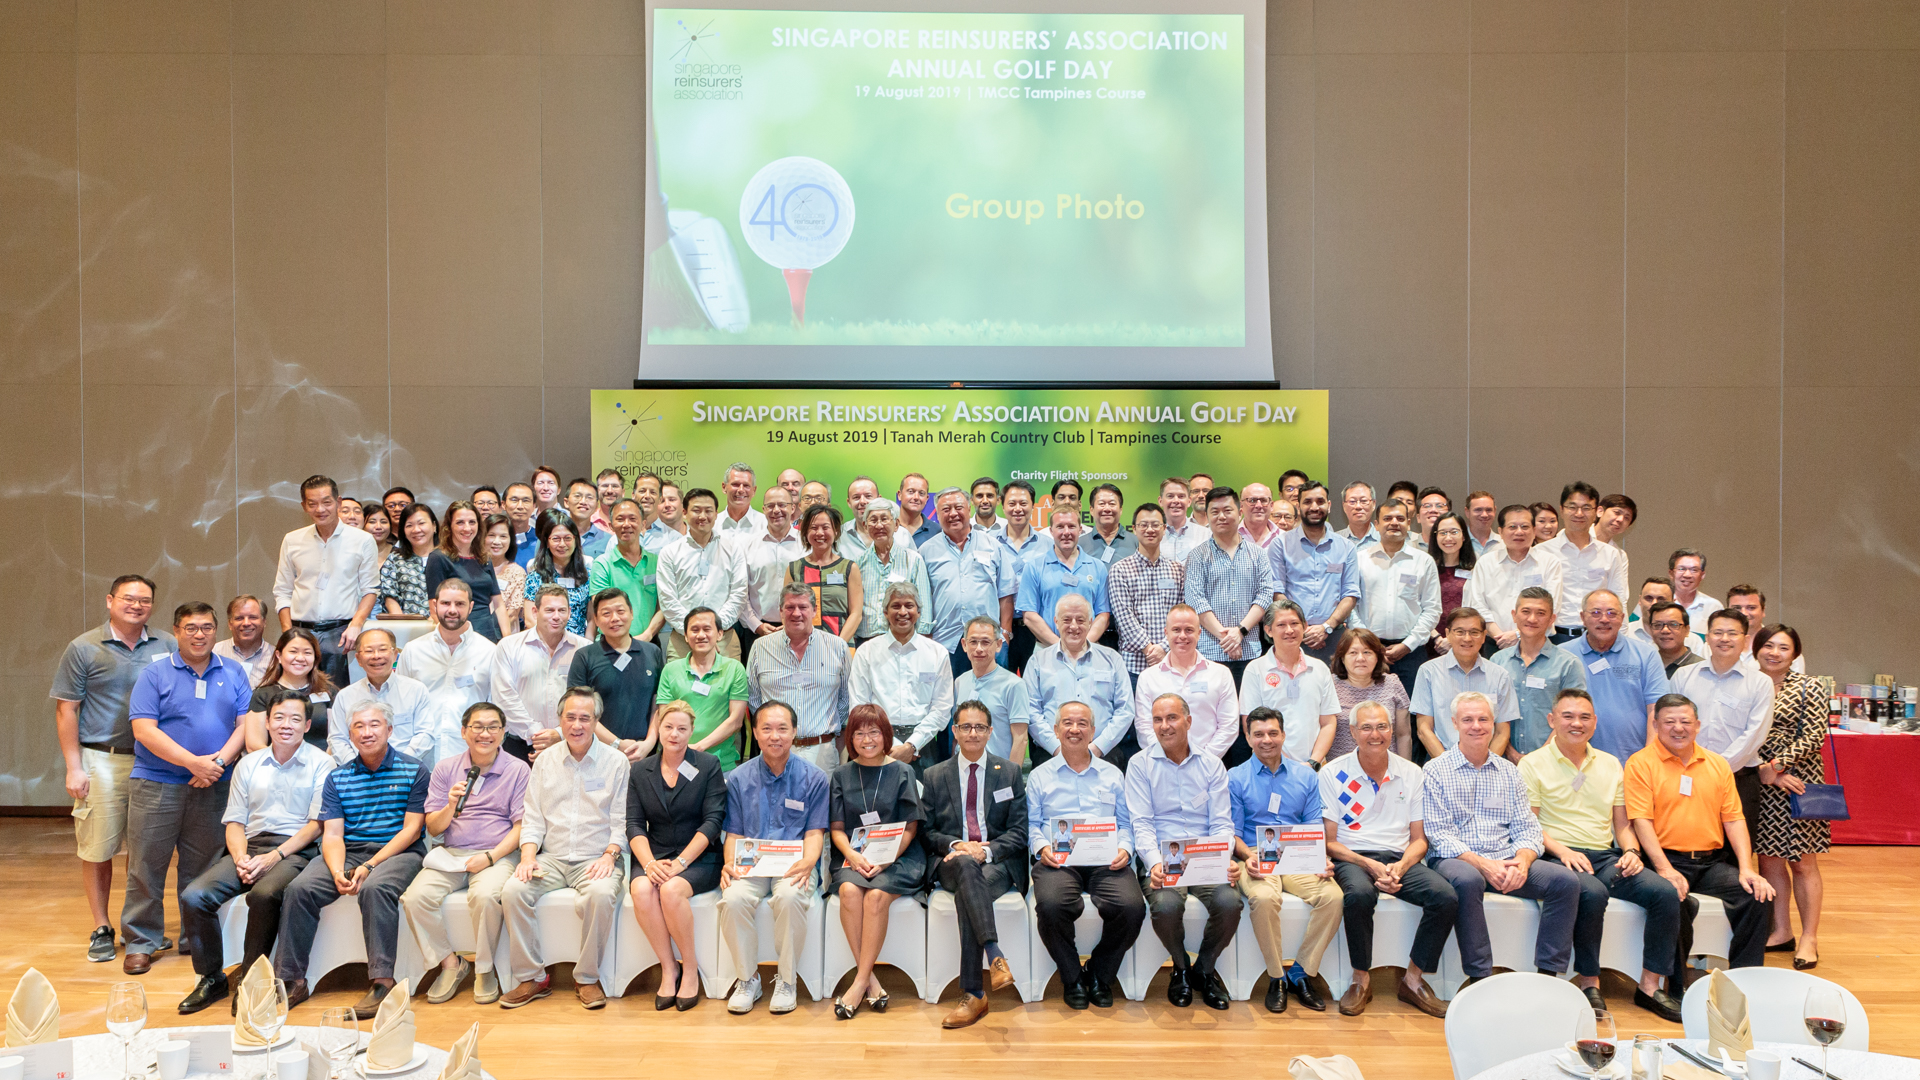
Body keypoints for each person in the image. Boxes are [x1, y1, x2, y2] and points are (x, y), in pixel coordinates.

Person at [1521, 689, 1687, 1021]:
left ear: (1595, 723)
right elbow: (1530, 825)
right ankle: (1589, 982)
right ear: (1552, 720)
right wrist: (1563, 851)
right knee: (1592, 893)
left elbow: (1622, 824)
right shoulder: (1532, 763)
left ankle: (1649, 986)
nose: (1577, 723)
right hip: (1556, 856)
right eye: (1568, 716)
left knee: (1664, 893)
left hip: (1603, 856)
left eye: (1584, 717)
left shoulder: (1610, 764)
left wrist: (1631, 851)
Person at [176, 688, 332, 1012]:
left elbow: (316, 826)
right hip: (249, 847)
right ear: (267, 722)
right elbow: (234, 822)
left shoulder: (322, 764)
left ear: (307, 725)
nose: (286, 725)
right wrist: (241, 859)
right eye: (279, 717)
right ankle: (211, 978)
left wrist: (274, 857)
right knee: (194, 896)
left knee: (264, 894)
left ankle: (251, 981)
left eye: (295, 719)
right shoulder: (248, 765)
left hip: (295, 851)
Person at [120, 602, 252, 976]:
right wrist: (193, 763)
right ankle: (141, 942)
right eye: (191, 627)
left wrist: (217, 763)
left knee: (202, 867)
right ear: (176, 631)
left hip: (215, 784)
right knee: (146, 866)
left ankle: (195, 938)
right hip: (157, 783)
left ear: (216, 631)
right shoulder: (155, 673)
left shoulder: (233, 671)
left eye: (207, 627)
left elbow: (245, 725)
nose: (199, 634)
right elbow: (144, 730)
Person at [52, 573, 175, 962]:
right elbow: (66, 710)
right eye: (128, 598)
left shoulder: (167, 644)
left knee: (145, 850)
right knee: (98, 847)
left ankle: (138, 927)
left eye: (144, 600)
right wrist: (74, 767)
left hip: (153, 760)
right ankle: (102, 926)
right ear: (110, 601)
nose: (136, 605)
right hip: (101, 759)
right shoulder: (83, 647)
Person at [276, 701, 429, 1014]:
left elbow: (412, 830)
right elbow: (332, 835)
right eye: (359, 726)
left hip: (399, 852)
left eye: (374, 725)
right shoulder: (338, 777)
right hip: (349, 851)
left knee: (375, 888)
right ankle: (293, 980)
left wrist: (371, 865)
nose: (367, 732)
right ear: (350, 734)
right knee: (299, 889)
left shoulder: (414, 770)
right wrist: (336, 872)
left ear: (389, 730)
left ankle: (382, 982)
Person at [1421, 691, 1580, 987]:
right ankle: (1479, 977)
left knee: (1565, 882)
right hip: (1456, 859)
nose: (1476, 726)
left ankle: (1549, 977)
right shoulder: (1435, 770)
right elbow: (1438, 834)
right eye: (1468, 720)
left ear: (1494, 723)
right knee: (1468, 880)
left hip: (1505, 858)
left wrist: (1522, 861)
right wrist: (1483, 865)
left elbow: (1527, 827)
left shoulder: (1509, 772)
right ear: (1454, 723)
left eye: (1483, 719)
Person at [1321, 701, 1456, 1018]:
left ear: (1392, 730)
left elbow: (1419, 839)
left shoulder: (1410, 772)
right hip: (1352, 856)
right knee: (1359, 895)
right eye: (1366, 727)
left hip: (1399, 857)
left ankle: (1413, 980)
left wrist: (1401, 866)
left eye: (1382, 726)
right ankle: (1360, 980)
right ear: (1352, 732)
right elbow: (1330, 842)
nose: (1375, 734)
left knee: (1445, 897)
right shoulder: (1332, 773)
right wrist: (1369, 865)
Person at [499, 687, 631, 1010]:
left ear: (596, 721)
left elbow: (622, 820)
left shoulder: (616, 762)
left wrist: (610, 855)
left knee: (600, 895)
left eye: (585, 718)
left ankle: (586, 978)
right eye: (570, 717)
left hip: (597, 857)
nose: (577, 725)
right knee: (514, 890)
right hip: (552, 858)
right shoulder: (545, 761)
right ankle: (532, 978)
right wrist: (527, 856)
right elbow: (533, 817)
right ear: (560, 720)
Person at [1624, 694, 1777, 971]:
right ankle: (1676, 983)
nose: (1678, 728)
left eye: (1685, 721)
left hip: (1710, 864)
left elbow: (1734, 819)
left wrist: (1747, 868)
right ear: (1655, 725)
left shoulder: (1717, 764)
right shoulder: (1640, 763)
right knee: (1672, 898)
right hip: (1663, 860)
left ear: (1697, 725)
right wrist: (1665, 869)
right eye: (1669, 722)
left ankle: (1744, 977)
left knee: (1757, 894)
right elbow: (1641, 821)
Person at [399, 702, 529, 1006]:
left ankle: (484, 968)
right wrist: (450, 805)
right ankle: (450, 964)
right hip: (452, 854)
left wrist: (491, 857)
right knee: (415, 898)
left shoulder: (518, 769)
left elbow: (521, 827)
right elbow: (434, 827)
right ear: (463, 731)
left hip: (497, 854)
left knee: (485, 896)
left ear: (503, 732)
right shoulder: (446, 768)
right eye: (477, 727)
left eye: (493, 727)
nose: (485, 734)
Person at [1027, 702, 1146, 1010]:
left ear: (1093, 731)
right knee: (1051, 906)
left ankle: (1099, 973)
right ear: (1056, 731)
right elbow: (1030, 824)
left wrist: (1125, 848)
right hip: (1058, 861)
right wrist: (1041, 848)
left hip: (1106, 860)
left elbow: (1126, 823)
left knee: (1132, 907)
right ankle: (1071, 977)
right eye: (1067, 723)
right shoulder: (1039, 776)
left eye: (1082, 724)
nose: (1074, 729)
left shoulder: (1113, 775)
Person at [1126, 692, 1241, 1011]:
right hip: (1164, 860)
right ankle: (1180, 968)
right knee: (1165, 906)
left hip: (1206, 858)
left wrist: (1224, 858)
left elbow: (1222, 822)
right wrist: (1154, 864)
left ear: (1189, 721)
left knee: (1229, 902)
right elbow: (1141, 822)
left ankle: (1204, 969)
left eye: (1172, 718)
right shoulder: (1139, 764)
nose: (1164, 726)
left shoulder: (1212, 764)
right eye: (1158, 720)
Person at [718, 701, 831, 1015]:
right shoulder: (739, 778)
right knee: (732, 898)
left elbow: (815, 832)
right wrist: (730, 863)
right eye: (766, 728)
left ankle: (786, 980)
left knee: (790, 897)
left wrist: (809, 862)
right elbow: (734, 832)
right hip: (752, 865)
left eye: (782, 728)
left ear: (794, 732)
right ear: (754, 733)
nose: (774, 736)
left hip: (795, 864)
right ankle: (747, 980)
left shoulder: (815, 777)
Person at [922, 701, 1027, 1027]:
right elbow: (926, 832)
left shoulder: (1008, 772)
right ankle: (994, 954)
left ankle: (974, 994)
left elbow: (1019, 831)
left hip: (997, 862)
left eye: (979, 727)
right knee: (967, 867)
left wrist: (988, 850)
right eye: (965, 727)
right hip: (952, 861)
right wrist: (957, 845)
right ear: (954, 731)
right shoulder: (934, 775)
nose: (973, 733)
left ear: (990, 732)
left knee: (969, 892)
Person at [1228, 708, 1341, 1014]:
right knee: (1264, 898)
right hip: (1255, 853)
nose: (1267, 740)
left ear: (1283, 735)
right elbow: (1232, 833)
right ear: (1248, 738)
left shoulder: (1306, 775)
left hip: (1297, 853)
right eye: (1259, 734)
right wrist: (1248, 856)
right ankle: (1277, 977)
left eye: (1273, 733)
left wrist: (1320, 859)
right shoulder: (1236, 777)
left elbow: (1314, 826)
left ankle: (1301, 972)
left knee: (1333, 897)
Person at [825, 704, 928, 1019]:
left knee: (876, 897)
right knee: (849, 891)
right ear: (850, 738)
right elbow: (837, 829)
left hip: (899, 857)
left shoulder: (903, 771)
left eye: (873, 732)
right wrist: (852, 855)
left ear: (886, 735)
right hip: (854, 856)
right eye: (858, 733)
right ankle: (869, 980)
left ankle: (858, 984)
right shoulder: (841, 774)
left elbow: (911, 826)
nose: (867, 739)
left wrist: (886, 859)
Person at [626, 700, 729, 1010]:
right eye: (668, 727)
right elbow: (634, 824)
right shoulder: (640, 770)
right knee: (641, 889)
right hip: (655, 854)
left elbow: (713, 821)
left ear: (691, 731)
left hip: (700, 856)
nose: (674, 734)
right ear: (658, 729)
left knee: (671, 891)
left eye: (682, 728)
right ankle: (669, 967)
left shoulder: (708, 765)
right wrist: (648, 863)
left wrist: (682, 862)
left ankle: (691, 969)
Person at [1750, 625, 1827, 971]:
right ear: (1756, 649)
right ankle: (1781, 930)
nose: (1774, 653)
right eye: (1768, 645)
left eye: (1783, 647)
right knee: (1768, 861)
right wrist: (1763, 771)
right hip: (1759, 780)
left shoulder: (1810, 686)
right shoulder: (1749, 683)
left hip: (1798, 782)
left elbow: (1814, 736)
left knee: (1803, 862)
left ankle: (1809, 937)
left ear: (1795, 653)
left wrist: (1777, 767)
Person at [1670, 610, 1776, 829]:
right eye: (1718, 633)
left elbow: (1755, 734)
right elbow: (1671, 726)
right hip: (1686, 774)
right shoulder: (1683, 676)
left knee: (1736, 846)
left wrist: (1716, 769)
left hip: (1739, 778)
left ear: (1746, 640)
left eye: (1732, 633)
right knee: (1686, 840)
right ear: (1708, 637)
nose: (1724, 639)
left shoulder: (1760, 683)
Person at [273, 475, 380, 687]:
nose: (320, 509)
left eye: (326, 502)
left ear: (338, 502)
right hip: (301, 631)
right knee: (299, 694)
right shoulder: (292, 540)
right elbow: (282, 591)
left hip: (342, 632)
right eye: (312, 504)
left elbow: (370, 589)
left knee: (337, 694)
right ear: (304, 506)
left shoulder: (362, 540)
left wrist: (356, 624)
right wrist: (288, 632)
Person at [745, 585, 852, 774]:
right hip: (775, 749)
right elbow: (754, 699)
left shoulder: (838, 647)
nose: (796, 613)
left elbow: (845, 698)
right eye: (789, 607)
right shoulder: (760, 648)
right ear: (780, 611)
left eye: (803, 607)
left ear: (814, 610)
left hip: (822, 751)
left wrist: (828, 729)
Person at [849, 584, 954, 771]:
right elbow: (859, 706)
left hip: (924, 745)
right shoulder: (866, 652)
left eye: (909, 606)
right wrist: (891, 745)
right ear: (885, 612)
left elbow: (942, 708)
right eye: (896, 606)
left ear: (919, 612)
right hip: (876, 742)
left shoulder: (937, 653)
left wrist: (911, 746)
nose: (903, 612)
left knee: (922, 792)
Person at [1565, 589, 1671, 767]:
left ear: (1622, 618)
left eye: (1611, 613)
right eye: (1596, 613)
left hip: (1632, 761)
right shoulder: (1564, 655)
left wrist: (1648, 758)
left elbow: (1657, 709)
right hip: (1573, 762)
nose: (1604, 619)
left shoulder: (1646, 654)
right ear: (1583, 617)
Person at [1025, 594, 1135, 767]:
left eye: (1080, 620)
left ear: (1090, 622)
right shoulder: (1038, 662)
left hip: (1104, 753)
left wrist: (1098, 747)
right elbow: (1031, 711)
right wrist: (1056, 748)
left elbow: (1125, 709)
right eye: (1067, 620)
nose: (1074, 626)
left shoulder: (1112, 659)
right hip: (1051, 754)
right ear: (1056, 622)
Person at [396, 579, 499, 762]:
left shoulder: (490, 652)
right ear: (434, 605)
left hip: (471, 756)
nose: (452, 610)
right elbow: (401, 705)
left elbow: (495, 709)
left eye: (460, 604)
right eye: (445, 603)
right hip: (421, 757)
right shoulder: (413, 650)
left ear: (470, 607)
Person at [920, 486, 1017, 674]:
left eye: (958, 507)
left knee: (991, 691)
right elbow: (922, 598)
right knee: (949, 692)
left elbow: (1005, 593)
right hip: (944, 641)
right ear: (937, 515)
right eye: (946, 509)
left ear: (969, 508)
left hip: (988, 640)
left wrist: (1005, 634)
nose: (953, 514)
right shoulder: (926, 551)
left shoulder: (992, 546)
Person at [1183, 486, 1274, 684]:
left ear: (1240, 512)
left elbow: (1265, 595)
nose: (1221, 516)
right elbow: (1195, 601)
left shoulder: (1258, 554)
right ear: (1207, 516)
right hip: (1210, 652)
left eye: (1227, 510)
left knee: (1248, 703)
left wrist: (1240, 632)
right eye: (1214, 512)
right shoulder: (1197, 556)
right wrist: (1227, 638)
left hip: (1249, 650)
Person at [490, 586, 591, 761]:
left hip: (571, 742)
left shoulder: (585, 649)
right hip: (520, 744)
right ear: (535, 612)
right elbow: (504, 697)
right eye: (549, 610)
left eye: (562, 610)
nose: (556, 616)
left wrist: (559, 733)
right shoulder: (509, 647)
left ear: (569, 613)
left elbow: (592, 697)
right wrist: (536, 734)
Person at [1352, 498, 1439, 693]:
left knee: (1411, 708)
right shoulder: (1360, 560)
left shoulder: (1424, 561)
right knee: (1367, 707)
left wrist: (1408, 645)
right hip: (1366, 651)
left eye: (1400, 518)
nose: (1394, 523)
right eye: (1387, 518)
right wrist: (1369, 644)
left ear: (1409, 523)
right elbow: (1350, 606)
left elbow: (1432, 609)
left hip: (1411, 651)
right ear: (1376, 525)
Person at [1268, 481, 1361, 663]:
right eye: (1307, 502)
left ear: (1329, 505)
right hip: (1292, 636)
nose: (1314, 507)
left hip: (1334, 636)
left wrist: (1326, 627)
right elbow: (1277, 591)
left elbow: (1350, 594)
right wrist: (1301, 627)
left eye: (1320, 501)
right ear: (1298, 506)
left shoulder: (1346, 547)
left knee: (1335, 681)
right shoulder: (1280, 544)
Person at [1239, 601, 1340, 768]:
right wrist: (1289, 766)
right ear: (1268, 630)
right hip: (1270, 765)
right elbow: (1250, 725)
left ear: (1305, 626)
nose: (1289, 630)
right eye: (1281, 625)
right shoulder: (1255, 669)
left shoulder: (1320, 668)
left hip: (1314, 766)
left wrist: (1312, 763)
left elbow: (1328, 723)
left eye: (1294, 623)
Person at [1489, 586, 1588, 757]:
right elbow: (1490, 714)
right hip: (1504, 759)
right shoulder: (1497, 662)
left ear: (1552, 619)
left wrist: (1538, 759)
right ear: (1514, 615)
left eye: (1541, 613)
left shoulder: (1568, 664)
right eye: (1526, 611)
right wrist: (1509, 752)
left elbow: (1572, 717)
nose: (1532, 619)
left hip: (1553, 760)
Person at [1410, 608, 1519, 761]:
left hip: (1487, 763)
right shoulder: (1428, 672)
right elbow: (1424, 729)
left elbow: (1502, 732)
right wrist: (1448, 766)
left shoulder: (1500, 675)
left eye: (1474, 632)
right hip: (1441, 761)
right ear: (1448, 634)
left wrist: (1486, 766)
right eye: (1460, 632)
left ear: (1484, 636)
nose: (1467, 638)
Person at [568, 588, 664, 753]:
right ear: (596, 620)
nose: (615, 619)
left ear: (631, 613)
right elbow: (579, 709)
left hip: (645, 752)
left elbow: (659, 702)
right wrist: (616, 744)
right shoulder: (584, 656)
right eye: (606, 613)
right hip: (599, 751)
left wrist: (648, 744)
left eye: (620, 611)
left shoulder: (652, 652)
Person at [656, 607, 750, 770]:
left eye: (707, 629)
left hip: (721, 763)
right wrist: (685, 750)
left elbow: (735, 721)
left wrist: (699, 747)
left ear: (719, 634)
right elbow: (665, 718)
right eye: (694, 630)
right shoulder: (670, 670)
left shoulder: (735, 669)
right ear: (686, 636)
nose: (701, 635)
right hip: (678, 761)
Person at [1461, 504, 1566, 650]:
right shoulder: (1486, 563)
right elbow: (1477, 604)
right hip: (1495, 642)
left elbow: (1552, 605)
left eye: (1525, 526)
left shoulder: (1549, 562)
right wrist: (1500, 637)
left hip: (1538, 642)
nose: (1519, 532)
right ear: (1500, 531)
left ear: (1534, 530)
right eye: (1512, 527)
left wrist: (1517, 635)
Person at [1534, 482, 1629, 642]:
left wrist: (1622, 639)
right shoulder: (1541, 552)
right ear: (1561, 510)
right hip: (1553, 636)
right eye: (1572, 507)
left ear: (1596, 512)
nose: (1579, 514)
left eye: (1586, 508)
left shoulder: (1610, 554)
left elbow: (1619, 599)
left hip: (1597, 636)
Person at [329, 628, 438, 764]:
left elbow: (425, 734)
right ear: (358, 659)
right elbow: (337, 739)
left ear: (395, 655)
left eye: (382, 649)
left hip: (405, 769)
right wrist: (356, 768)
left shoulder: (416, 690)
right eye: (369, 651)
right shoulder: (345, 696)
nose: (376, 656)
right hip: (358, 772)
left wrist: (399, 765)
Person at [1108, 501, 1186, 681]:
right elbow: (1124, 617)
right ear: (1134, 529)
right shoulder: (1120, 570)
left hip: (1172, 661)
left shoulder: (1177, 570)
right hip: (1134, 665)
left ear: (1164, 529)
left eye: (1155, 525)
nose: (1150, 529)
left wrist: (1163, 648)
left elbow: (1182, 613)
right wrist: (1149, 649)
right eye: (1143, 525)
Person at [1018, 506, 1112, 651]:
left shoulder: (1097, 567)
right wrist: (1061, 647)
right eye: (1060, 527)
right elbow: (1030, 616)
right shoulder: (1033, 567)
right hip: (1046, 649)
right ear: (1051, 531)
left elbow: (1103, 615)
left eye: (1071, 526)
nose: (1066, 532)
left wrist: (1082, 645)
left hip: (1088, 650)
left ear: (1080, 530)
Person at [587, 498, 665, 647]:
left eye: (633, 519)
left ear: (643, 524)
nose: (626, 524)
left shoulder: (657, 562)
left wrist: (646, 636)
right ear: (611, 526)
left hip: (648, 643)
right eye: (620, 519)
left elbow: (663, 607)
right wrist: (626, 642)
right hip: (611, 644)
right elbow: (602, 609)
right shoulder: (602, 564)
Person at [242, 629, 334, 753]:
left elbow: (335, 740)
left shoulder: (328, 692)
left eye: (307, 653)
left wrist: (318, 762)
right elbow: (254, 745)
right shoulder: (262, 695)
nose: (300, 658)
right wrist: (287, 762)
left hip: (320, 763)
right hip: (274, 764)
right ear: (278, 655)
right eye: (293, 651)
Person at [854, 499, 933, 643]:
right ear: (865, 526)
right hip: (866, 641)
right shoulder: (857, 563)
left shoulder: (913, 560)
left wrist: (923, 637)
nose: (879, 525)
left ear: (896, 524)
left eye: (884, 519)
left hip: (904, 640)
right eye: (873, 520)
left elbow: (924, 604)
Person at [953, 616, 1029, 764]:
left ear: (998, 645)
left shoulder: (1014, 685)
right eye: (973, 642)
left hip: (998, 770)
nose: (979, 649)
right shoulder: (960, 682)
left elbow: (1021, 738)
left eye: (985, 642)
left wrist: (1011, 776)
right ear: (964, 644)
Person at [737, 487, 803, 656]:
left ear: (792, 508)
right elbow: (741, 590)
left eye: (782, 505)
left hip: (799, 628)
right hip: (758, 631)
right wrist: (755, 625)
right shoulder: (747, 545)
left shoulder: (806, 544)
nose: (776, 510)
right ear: (763, 509)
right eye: (770, 506)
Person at [1330, 628, 1412, 760]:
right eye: (1353, 653)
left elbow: (1403, 735)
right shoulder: (1329, 686)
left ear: (1377, 657)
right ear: (1342, 658)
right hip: (1341, 767)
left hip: (1386, 765)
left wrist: (1404, 767)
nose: (1360, 658)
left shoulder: (1392, 683)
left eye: (1367, 652)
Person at [426, 502, 501, 641]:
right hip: (456, 635)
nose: (467, 528)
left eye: (472, 522)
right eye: (460, 522)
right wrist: (453, 640)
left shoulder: (484, 557)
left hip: (487, 632)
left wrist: (506, 640)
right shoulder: (438, 558)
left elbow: (499, 604)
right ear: (449, 526)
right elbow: (435, 609)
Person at [787, 504, 862, 643]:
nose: (820, 533)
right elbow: (787, 611)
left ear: (836, 531)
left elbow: (856, 614)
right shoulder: (794, 569)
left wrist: (838, 644)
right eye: (814, 528)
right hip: (804, 646)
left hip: (842, 645)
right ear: (805, 532)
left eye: (825, 527)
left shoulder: (849, 568)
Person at [522, 515, 592, 636]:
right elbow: (530, 619)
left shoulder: (588, 576)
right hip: (544, 642)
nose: (562, 544)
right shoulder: (535, 577)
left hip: (579, 643)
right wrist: (550, 641)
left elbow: (591, 619)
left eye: (567, 538)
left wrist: (587, 644)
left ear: (576, 541)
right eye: (556, 539)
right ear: (547, 542)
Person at [1424, 511, 1477, 655]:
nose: (1448, 538)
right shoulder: (1425, 568)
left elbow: (1479, 608)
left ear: (1464, 536)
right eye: (1443, 533)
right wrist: (1436, 637)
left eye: (1454, 532)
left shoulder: (1476, 569)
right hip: (1430, 641)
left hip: (1466, 641)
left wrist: (1453, 639)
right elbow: (1418, 606)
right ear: (1435, 537)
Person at [1725, 585, 1805, 674]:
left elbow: (1797, 680)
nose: (1744, 613)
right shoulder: (1716, 645)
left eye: (1751, 608)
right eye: (1736, 608)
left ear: (1763, 611)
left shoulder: (1784, 646)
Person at [379, 502, 440, 616]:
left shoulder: (447, 558)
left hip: (445, 623)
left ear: (434, 526)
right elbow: (389, 595)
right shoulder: (395, 559)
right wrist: (402, 622)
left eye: (421, 523)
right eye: (409, 525)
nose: (416, 530)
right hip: (407, 623)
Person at [835, 475, 912, 562]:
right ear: (849, 502)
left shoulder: (903, 535)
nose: (862, 501)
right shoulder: (838, 536)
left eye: (868, 496)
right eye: (856, 497)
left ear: (879, 499)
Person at [482, 514, 527, 637]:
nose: (497, 541)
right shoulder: (473, 568)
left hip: (504, 635)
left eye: (503, 536)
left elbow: (512, 613)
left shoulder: (517, 572)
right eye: (491, 535)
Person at [213, 596, 272, 686]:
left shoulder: (276, 658)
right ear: (230, 624)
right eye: (239, 618)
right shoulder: (214, 653)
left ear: (264, 622)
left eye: (253, 617)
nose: (246, 623)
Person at [1080, 483, 1139, 565]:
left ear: (1121, 509)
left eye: (1112, 504)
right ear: (1091, 510)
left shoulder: (1137, 543)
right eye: (1101, 504)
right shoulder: (1080, 545)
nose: (1107, 509)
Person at [1645, 601, 1707, 678]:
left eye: (1673, 624)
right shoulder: (1644, 665)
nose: (1665, 630)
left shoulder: (1701, 669)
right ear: (1650, 629)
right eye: (1658, 625)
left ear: (1687, 630)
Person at [1668, 549, 1715, 636]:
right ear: (1671, 573)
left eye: (1694, 570)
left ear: (1702, 575)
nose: (1687, 575)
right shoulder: (1658, 602)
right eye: (1681, 569)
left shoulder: (1713, 607)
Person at [1157, 477, 1206, 561]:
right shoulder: (1150, 536)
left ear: (1189, 501)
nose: (1176, 501)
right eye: (1170, 496)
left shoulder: (1205, 535)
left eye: (1181, 496)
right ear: (1160, 501)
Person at [563, 477, 612, 561]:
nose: (583, 502)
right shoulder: (553, 536)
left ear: (596, 505)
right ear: (566, 502)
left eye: (589, 497)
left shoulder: (607, 540)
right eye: (577, 496)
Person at [717, 462, 767, 538]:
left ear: (754, 490)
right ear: (724, 487)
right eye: (735, 484)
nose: (741, 490)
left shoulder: (766, 525)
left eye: (746, 485)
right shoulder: (712, 524)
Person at [896, 472, 940, 547]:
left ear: (927, 499)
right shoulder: (887, 527)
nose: (916, 497)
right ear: (899, 495)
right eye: (911, 491)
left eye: (921, 493)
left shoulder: (937, 531)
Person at [503, 482, 540, 569]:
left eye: (526, 500)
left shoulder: (541, 539)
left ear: (534, 506)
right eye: (514, 500)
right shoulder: (493, 539)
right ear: (503, 504)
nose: (520, 506)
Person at [1335, 482, 1378, 549]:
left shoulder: (1385, 540)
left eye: (1363, 501)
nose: (1358, 506)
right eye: (1352, 501)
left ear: (1373, 504)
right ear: (1344, 506)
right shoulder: (1334, 541)